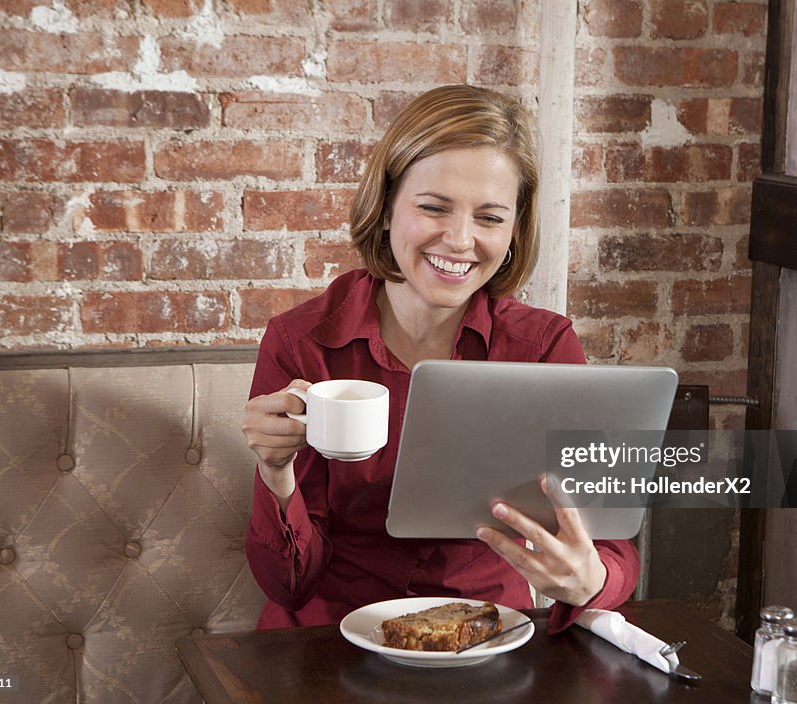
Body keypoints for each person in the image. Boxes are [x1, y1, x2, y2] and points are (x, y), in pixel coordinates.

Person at [241, 84, 639, 632]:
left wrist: (591, 580)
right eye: (433, 207)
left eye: (490, 218)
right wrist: (275, 472)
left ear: (515, 230)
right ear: (385, 209)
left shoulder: (544, 349)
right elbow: (288, 583)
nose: (459, 239)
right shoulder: (300, 341)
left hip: (486, 636)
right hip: (330, 641)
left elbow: (611, 549)